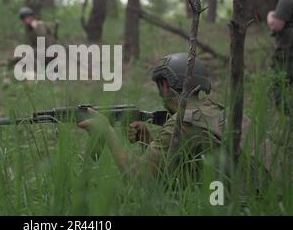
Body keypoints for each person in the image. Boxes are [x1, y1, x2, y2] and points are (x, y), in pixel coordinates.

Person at [77, 53, 242, 181]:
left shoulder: (183, 122)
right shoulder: (222, 112)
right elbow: (178, 171)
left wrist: (107, 131)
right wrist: (147, 141)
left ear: (164, 85)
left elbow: (137, 177)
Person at [266, 0, 293, 113]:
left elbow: (277, 25)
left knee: (279, 90)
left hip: (287, 54)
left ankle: (287, 121)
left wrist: (270, 16)